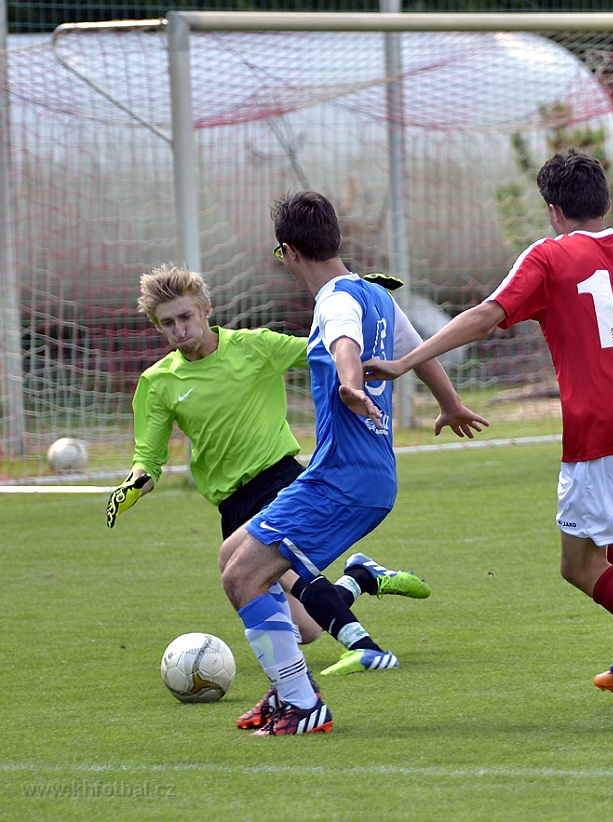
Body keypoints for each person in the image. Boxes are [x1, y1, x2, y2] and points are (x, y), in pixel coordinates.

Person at [365, 149, 613, 711]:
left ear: (553, 210)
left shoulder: (550, 255)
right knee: (611, 528)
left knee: (579, 565)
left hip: (604, 426)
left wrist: (404, 363)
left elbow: (485, 316)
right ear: (607, 203)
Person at [104, 264, 440, 713]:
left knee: (283, 573)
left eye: (185, 317)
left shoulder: (254, 346)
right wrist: (135, 484)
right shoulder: (158, 383)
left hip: (280, 479)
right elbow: (149, 458)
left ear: (205, 310)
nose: (179, 329)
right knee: (305, 630)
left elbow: (325, 348)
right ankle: (361, 577)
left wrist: (363, 306)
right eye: (168, 323)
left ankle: (364, 646)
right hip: (231, 502)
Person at [219, 190, 488, 735]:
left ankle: (302, 703)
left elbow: (344, 342)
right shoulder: (376, 295)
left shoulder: (335, 299)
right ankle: (288, 689)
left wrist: (349, 384)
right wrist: (450, 402)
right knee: (233, 554)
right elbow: (417, 349)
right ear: (337, 239)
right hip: (357, 476)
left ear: (289, 252)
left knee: (242, 576)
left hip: (343, 480)